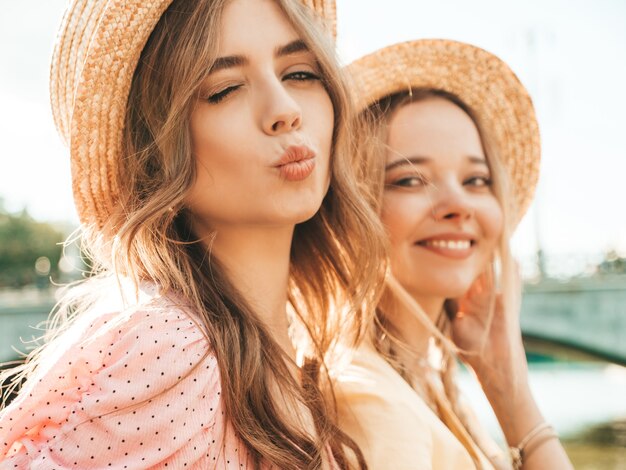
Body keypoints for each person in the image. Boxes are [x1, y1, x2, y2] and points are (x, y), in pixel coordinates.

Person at [0, 0, 386, 468]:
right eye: (224, 89)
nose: (284, 110)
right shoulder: (173, 349)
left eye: (301, 73)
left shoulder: (284, 355)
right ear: (154, 151)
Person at [333, 39, 574, 470]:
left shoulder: (428, 384)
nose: (458, 204)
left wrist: (507, 385)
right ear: (351, 209)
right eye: (409, 180)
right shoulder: (374, 405)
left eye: (476, 180)